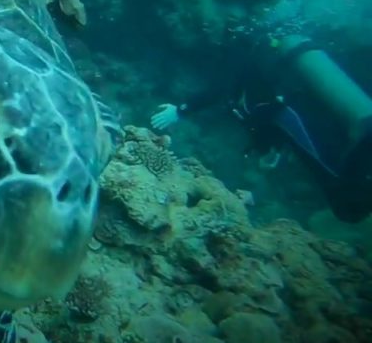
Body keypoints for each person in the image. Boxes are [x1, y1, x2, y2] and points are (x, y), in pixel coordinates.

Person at [150, 32, 372, 223]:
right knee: (339, 174)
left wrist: (180, 110)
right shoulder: (262, 62)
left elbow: (221, 90)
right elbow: (263, 109)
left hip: (293, 114)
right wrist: (270, 147)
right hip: (293, 116)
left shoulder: (239, 54)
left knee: (338, 179)